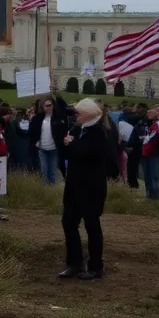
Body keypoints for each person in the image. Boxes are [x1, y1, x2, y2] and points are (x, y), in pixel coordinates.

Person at [58, 98, 109, 280]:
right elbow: (71, 153)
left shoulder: (99, 132)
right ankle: (74, 263)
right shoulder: (78, 129)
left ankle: (96, 267)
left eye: (78, 112)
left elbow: (91, 154)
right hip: (74, 186)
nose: (75, 115)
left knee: (91, 225)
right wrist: (67, 144)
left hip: (91, 188)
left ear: (88, 113)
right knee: (69, 223)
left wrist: (73, 144)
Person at [30, 96, 68, 184]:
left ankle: (51, 188)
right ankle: (44, 189)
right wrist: (36, 142)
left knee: (52, 172)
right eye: (46, 106)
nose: (49, 107)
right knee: (43, 172)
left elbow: (63, 131)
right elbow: (32, 132)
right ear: (42, 107)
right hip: (42, 148)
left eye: (50, 105)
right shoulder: (38, 118)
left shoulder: (57, 118)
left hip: (53, 148)